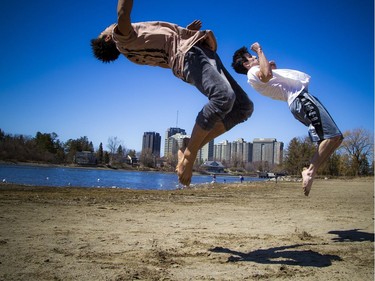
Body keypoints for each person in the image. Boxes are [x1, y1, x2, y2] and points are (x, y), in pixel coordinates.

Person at [91, 0, 253, 187]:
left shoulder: (134, 48)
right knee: (223, 96)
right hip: (188, 55)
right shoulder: (123, 38)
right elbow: (123, 13)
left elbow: (165, 45)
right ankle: (190, 156)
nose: (108, 27)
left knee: (243, 107)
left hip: (198, 50)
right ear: (108, 38)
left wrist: (185, 32)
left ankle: (187, 147)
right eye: (104, 31)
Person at [231, 42, 343, 196]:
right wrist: (260, 50)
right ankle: (310, 171)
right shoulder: (253, 72)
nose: (255, 57)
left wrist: (272, 69)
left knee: (337, 138)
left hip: (300, 100)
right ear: (246, 63)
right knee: (332, 136)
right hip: (301, 99)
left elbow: (271, 78)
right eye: (251, 57)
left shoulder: (254, 76)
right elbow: (266, 75)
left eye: (255, 55)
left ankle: (310, 171)